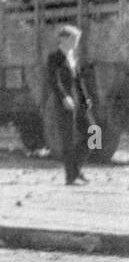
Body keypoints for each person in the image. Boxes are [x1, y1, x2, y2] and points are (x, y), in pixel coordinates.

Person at [45, 24, 94, 185]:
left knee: (94, 133)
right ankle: (70, 176)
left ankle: (76, 169)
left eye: (77, 39)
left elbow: (78, 80)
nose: (76, 42)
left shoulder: (73, 56)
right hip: (64, 103)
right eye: (74, 39)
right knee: (68, 139)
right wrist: (64, 97)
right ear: (63, 39)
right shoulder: (54, 57)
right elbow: (54, 80)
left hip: (78, 102)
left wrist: (85, 98)